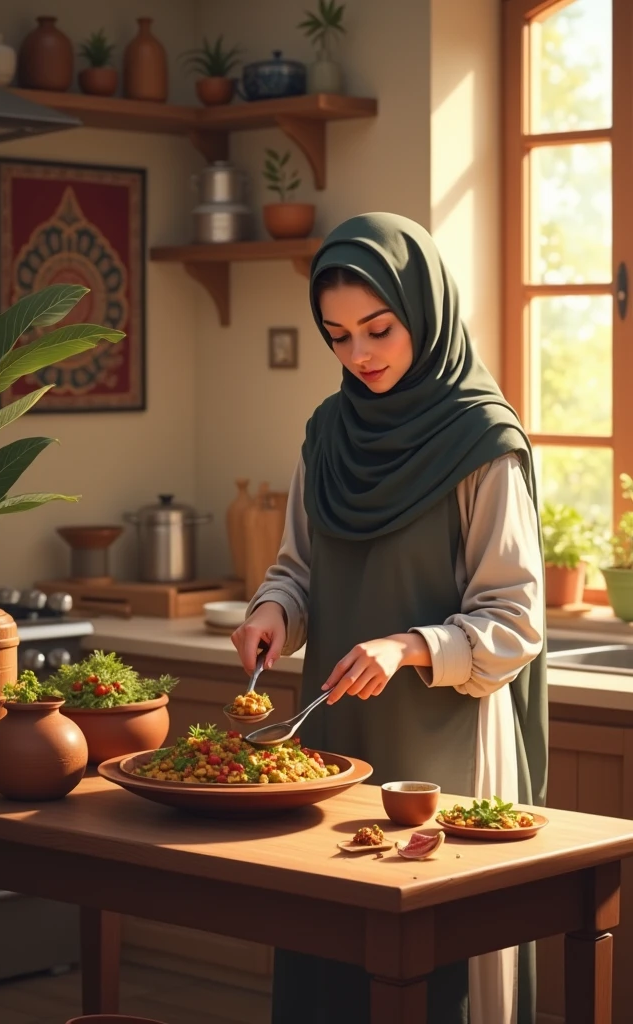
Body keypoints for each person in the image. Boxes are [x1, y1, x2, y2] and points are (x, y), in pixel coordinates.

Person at [231, 213, 547, 1024]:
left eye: (378, 329)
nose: (360, 356)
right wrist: (272, 612)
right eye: (337, 337)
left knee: (432, 973)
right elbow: (300, 568)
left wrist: (409, 645)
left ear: (428, 314)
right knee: (329, 956)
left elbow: (514, 620)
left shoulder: (483, 443)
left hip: (445, 750)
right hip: (331, 742)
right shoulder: (329, 433)